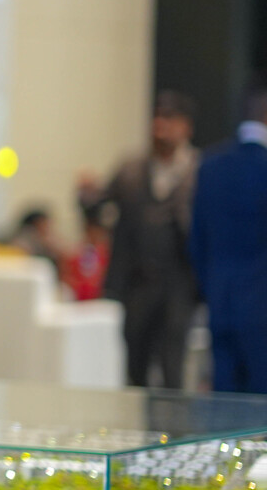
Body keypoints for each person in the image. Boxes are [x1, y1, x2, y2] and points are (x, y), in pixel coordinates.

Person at [77, 90, 200, 388]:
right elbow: (99, 206)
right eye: (157, 118)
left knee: (172, 364)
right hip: (138, 282)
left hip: (179, 282)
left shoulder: (198, 170)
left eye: (170, 119)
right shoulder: (131, 170)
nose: (161, 127)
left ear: (186, 127)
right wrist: (86, 196)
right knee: (135, 363)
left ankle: (173, 418)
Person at [189, 82, 267, 394]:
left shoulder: (210, 164)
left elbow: (197, 240)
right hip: (261, 304)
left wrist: (211, 288)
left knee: (223, 399)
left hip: (220, 299)